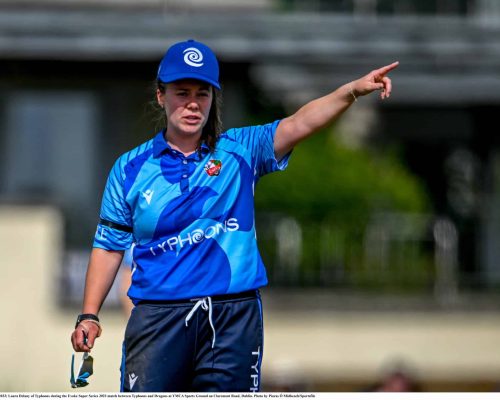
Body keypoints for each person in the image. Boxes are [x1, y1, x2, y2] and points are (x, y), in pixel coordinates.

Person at [70, 38, 398, 392]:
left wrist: (350, 91)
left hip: (233, 317)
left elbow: (299, 123)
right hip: (158, 317)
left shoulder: (241, 150)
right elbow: (109, 245)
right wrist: (89, 314)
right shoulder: (129, 168)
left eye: (203, 93)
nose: (193, 104)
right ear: (161, 96)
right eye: (182, 92)